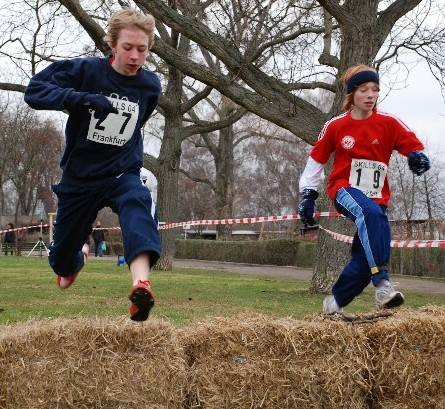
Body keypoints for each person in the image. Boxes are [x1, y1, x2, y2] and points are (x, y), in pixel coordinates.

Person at [23, 7, 162, 321]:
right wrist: (80, 99)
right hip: (80, 177)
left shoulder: (150, 87)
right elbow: (34, 92)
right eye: (127, 48)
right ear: (112, 45)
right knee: (60, 263)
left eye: (142, 49)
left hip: (121, 170)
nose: (134, 56)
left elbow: (137, 123)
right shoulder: (86, 71)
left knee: (137, 201)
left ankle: (141, 283)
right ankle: (74, 261)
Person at [298, 64, 430, 314]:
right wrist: (308, 195)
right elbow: (316, 161)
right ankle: (382, 284)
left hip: (377, 199)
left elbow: (412, 145)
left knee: (362, 258)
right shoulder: (335, 126)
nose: (371, 95)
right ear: (351, 96)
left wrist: (416, 156)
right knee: (369, 213)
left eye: (375, 90)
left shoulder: (389, 123)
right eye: (363, 90)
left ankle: (332, 305)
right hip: (344, 190)